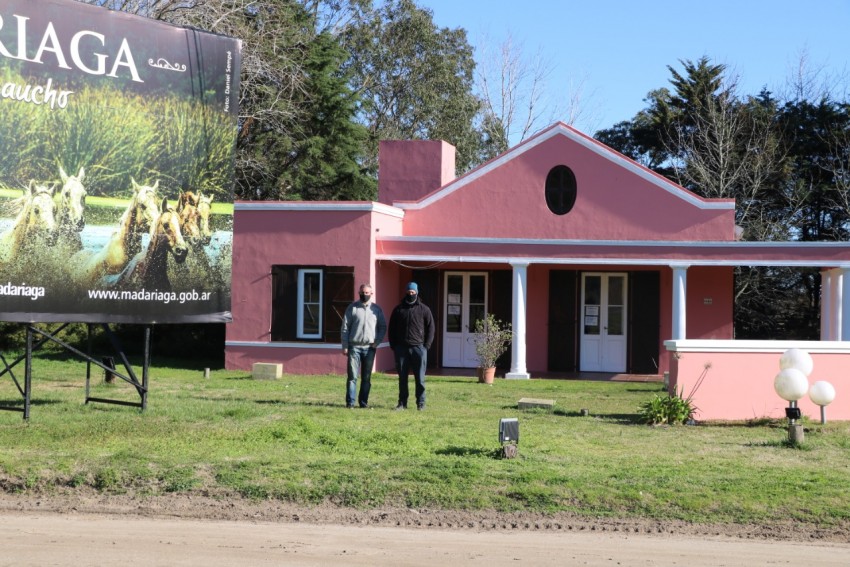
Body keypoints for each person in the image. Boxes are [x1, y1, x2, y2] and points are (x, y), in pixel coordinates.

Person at [388, 281, 434, 411]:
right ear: (406, 292)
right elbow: (391, 328)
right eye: (408, 292)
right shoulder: (398, 309)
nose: (410, 294)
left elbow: (431, 328)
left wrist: (426, 346)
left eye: (413, 292)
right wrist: (394, 346)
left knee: (420, 378)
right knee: (402, 378)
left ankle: (421, 403)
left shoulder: (424, 309)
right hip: (401, 349)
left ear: (417, 293)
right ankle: (402, 403)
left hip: (419, 348)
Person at [341, 283, 386, 408]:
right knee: (352, 377)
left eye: (367, 293)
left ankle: (363, 403)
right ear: (359, 293)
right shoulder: (352, 308)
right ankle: (350, 403)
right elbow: (345, 328)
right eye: (362, 292)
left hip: (370, 348)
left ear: (371, 294)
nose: (364, 294)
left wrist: (377, 341)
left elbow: (382, 327)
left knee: (366, 377)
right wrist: (345, 346)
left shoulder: (376, 309)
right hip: (354, 347)